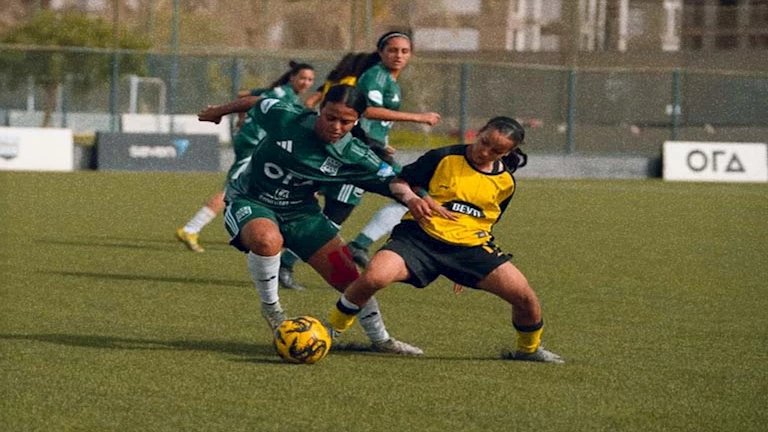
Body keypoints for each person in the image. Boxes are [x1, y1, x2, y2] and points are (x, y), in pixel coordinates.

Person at [325, 116, 564, 363]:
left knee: (525, 297)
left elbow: (486, 222)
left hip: (470, 250)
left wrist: (466, 270)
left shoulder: (505, 183)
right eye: (484, 142)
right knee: (374, 277)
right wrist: (412, 199)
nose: (485, 152)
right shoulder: (444, 157)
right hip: (418, 239)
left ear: (507, 153)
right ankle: (330, 331)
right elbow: (400, 181)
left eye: (496, 151)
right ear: (479, 131)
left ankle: (529, 349)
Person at [215, 84, 423, 355]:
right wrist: (218, 112)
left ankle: (381, 340)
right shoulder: (288, 117)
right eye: (330, 117)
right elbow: (255, 102)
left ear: (357, 121)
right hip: (251, 200)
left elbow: (396, 180)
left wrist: (419, 199)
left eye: (345, 122)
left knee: (352, 281)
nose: (336, 126)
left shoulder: (355, 154)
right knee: (267, 240)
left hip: (303, 214)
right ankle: (273, 311)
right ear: (320, 109)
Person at [278, 30, 441, 289]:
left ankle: (356, 245)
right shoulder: (375, 76)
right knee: (338, 216)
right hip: (356, 155)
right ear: (381, 52)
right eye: (392, 50)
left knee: (399, 195)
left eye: (404, 51)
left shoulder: (390, 80)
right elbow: (367, 111)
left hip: (370, 150)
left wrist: (382, 143)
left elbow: (373, 122)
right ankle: (289, 260)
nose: (398, 55)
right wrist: (417, 117)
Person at [175, 61, 316, 253]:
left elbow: (244, 96)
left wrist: (242, 119)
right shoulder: (287, 97)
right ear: (292, 77)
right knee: (231, 189)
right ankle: (191, 229)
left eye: (310, 80)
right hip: (254, 144)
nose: (306, 83)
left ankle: (271, 230)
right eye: (303, 78)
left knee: (261, 187)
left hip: (250, 140)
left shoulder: (276, 91)